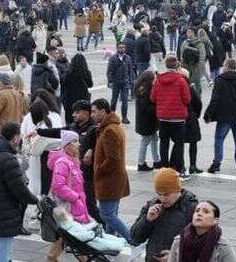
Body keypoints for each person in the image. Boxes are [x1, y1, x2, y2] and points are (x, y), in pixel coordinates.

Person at [0, 122, 39, 262]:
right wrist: (36, 200)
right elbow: (20, 190)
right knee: (2, 251)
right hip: (4, 211)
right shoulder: (9, 159)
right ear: (15, 138)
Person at [130, 168, 198, 261]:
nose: (162, 198)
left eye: (166, 194)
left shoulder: (192, 208)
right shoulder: (152, 205)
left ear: (177, 190)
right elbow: (135, 238)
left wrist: (175, 256)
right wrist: (147, 220)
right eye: (159, 194)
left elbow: (201, 244)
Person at [45, 130, 91, 261]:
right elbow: (58, 186)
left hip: (74, 207)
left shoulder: (73, 160)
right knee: (64, 239)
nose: (79, 144)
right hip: (68, 208)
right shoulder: (63, 162)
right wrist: (75, 197)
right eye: (75, 141)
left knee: (73, 239)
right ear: (67, 145)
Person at [91, 98, 132, 243]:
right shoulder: (111, 127)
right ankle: (110, 243)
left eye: (94, 111)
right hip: (114, 179)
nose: (92, 114)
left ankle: (133, 240)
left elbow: (112, 159)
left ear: (103, 111)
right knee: (111, 214)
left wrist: (98, 170)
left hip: (110, 180)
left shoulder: (109, 131)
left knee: (107, 215)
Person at [203, 59, 236, 173]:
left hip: (224, 115)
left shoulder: (220, 80)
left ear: (226, 66)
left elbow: (215, 99)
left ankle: (217, 163)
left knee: (219, 139)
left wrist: (208, 114)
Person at [150, 56, 191, 174]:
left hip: (163, 117)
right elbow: (187, 100)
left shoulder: (158, 80)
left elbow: (152, 98)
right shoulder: (181, 80)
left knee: (164, 142)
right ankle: (177, 167)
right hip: (178, 118)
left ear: (166, 65)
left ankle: (164, 166)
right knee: (178, 143)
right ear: (176, 66)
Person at [161, 201, 236, 262]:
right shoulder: (179, 240)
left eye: (206, 212)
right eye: (197, 211)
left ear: (215, 221)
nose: (199, 214)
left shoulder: (222, 246)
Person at [135, 70, 161, 171]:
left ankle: (156, 160)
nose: (155, 80)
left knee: (154, 139)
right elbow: (146, 108)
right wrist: (158, 107)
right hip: (146, 122)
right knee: (145, 141)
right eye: (154, 79)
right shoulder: (145, 91)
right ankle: (141, 163)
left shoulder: (143, 89)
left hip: (148, 121)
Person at [106, 42, 135, 125]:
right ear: (117, 48)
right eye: (120, 47)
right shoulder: (113, 58)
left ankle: (124, 117)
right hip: (115, 82)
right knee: (114, 100)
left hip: (125, 83)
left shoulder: (128, 58)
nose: (122, 49)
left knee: (125, 100)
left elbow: (130, 71)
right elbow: (109, 71)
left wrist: (131, 81)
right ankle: (111, 116)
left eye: (123, 47)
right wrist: (110, 81)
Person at [61, 53, 93, 124]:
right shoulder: (86, 73)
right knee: (83, 120)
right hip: (83, 98)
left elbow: (63, 83)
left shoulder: (68, 73)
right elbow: (90, 84)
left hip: (70, 99)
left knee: (70, 119)